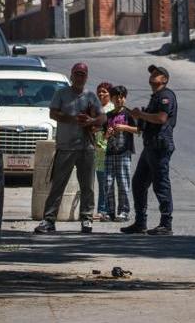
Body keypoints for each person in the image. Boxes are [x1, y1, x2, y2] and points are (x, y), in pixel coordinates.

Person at [34, 62, 106, 234]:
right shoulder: (61, 93)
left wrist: (91, 121)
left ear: (86, 77)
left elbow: (103, 118)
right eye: (77, 74)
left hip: (86, 147)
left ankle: (86, 219)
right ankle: (49, 220)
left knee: (87, 186)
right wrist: (73, 118)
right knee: (58, 185)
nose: (79, 77)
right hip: (66, 147)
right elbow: (53, 113)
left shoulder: (90, 96)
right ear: (72, 76)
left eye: (83, 75)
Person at [122, 64, 178, 236]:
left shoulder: (166, 96)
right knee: (139, 183)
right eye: (152, 73)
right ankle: (140, 222)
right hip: (150, 146)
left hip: (159, 146)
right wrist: (139, 116)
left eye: (157, 73)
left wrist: (141, 115)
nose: (153, 75)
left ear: (164, 79)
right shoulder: (156, 97)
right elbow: (149, 120)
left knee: (161, 184)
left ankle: (166, 224)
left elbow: (161, 118)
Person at [103, 84, 138, 222]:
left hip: (124, 153)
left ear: (125, 98)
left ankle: (124, 211)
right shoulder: (108, 116)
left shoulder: (129, 114)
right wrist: (108, 133)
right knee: (108, 182)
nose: (119, 100)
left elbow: (139, 130)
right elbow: (104, 136)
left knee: (123, 183)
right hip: (109, 153)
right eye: (116, 97)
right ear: (111, 99)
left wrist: (124, 127)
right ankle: (109, 211)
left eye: (122, 97)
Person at [94, 83, 117, 220]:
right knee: (100, 181)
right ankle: (101, 209)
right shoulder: (96, 107)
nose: (101, 94)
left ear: (110, 94)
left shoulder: (112, 109)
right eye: (99, 92)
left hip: (107, 150)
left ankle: (104, 210)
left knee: (105, 182)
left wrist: (104, 140)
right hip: (95, 150)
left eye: (104, 92)